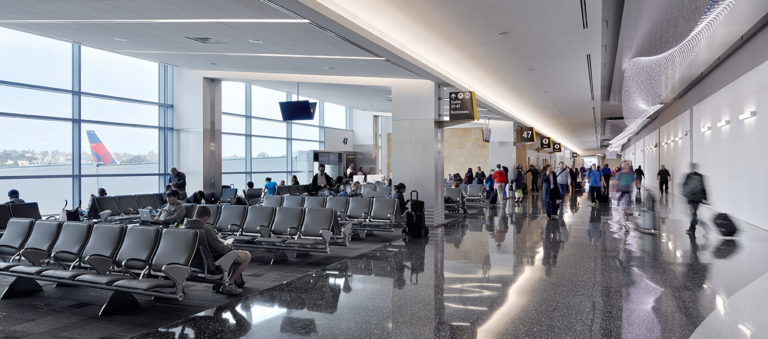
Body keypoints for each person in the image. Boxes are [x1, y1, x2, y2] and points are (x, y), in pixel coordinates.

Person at [182, 206, 251, 295]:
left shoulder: (184, 228)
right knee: (247, 255)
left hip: (192, 262)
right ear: (205, 218)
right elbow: (223, 250)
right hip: (211, 262)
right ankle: (229, 283)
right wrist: (229, 245)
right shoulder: (206, 230)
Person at [682, 163, 707, 234]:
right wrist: (705, 198)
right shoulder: (700, 176)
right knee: (693, 213)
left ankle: (693, 228)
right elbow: (704, 187)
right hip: (698, 198)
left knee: (693, 213)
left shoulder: (688, 176)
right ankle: (695, 226)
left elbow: (684, 186)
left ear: (691, 168)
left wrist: (684, 195)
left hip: (691, 198)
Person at [616, 161, 635, 228]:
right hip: (621, 192)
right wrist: (613, 194)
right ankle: (624, 224)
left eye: (628, 165)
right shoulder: (619, 174)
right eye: (626, 165)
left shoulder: (631, 174)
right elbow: (615, 182)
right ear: (623, 166)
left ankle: (624, 221)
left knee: (626, 209)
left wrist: (631, 192)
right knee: (623, 209)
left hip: (627, 193)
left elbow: (632, 183)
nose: (628, 166)